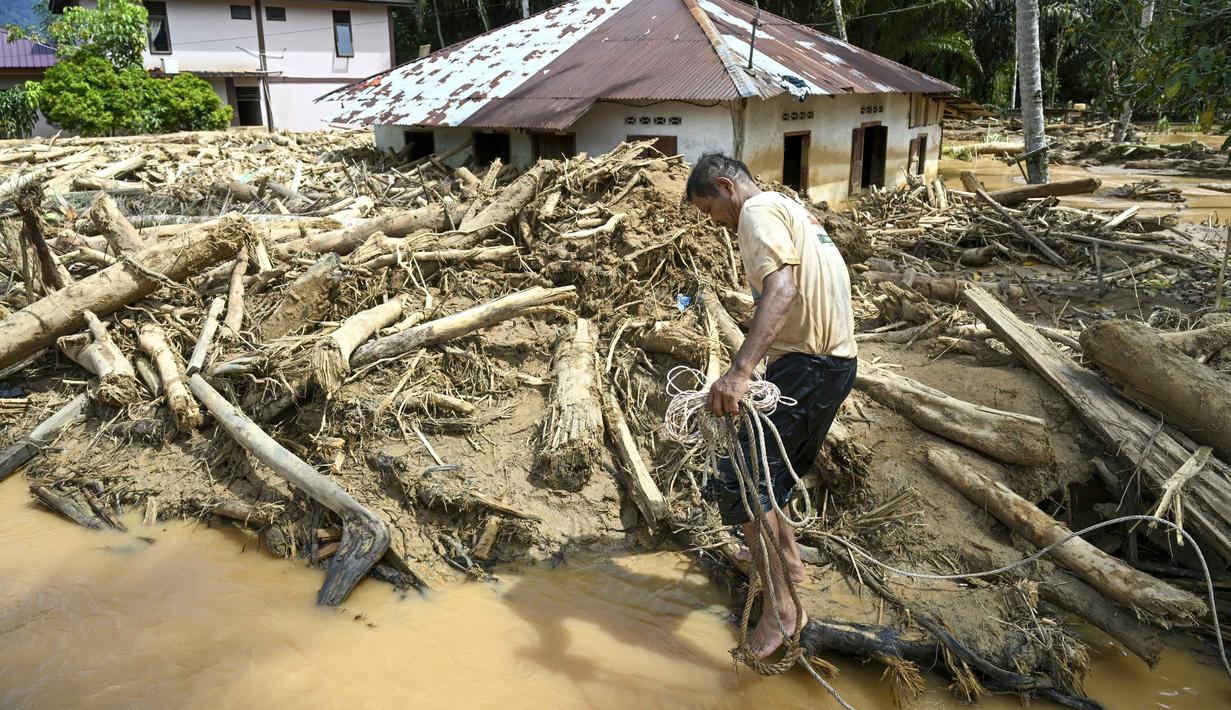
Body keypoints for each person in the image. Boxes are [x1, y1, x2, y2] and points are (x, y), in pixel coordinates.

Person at [685, 153, 858, 658]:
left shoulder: (757, 213)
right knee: (770, 476)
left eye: (709, 210)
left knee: (742, 483)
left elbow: (781, 290)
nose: (713, 222)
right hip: (834, 365)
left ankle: (782, 609)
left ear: (725, 187)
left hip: (809, 366)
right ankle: (788, 559)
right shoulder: (790, 208)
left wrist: (740, 372)